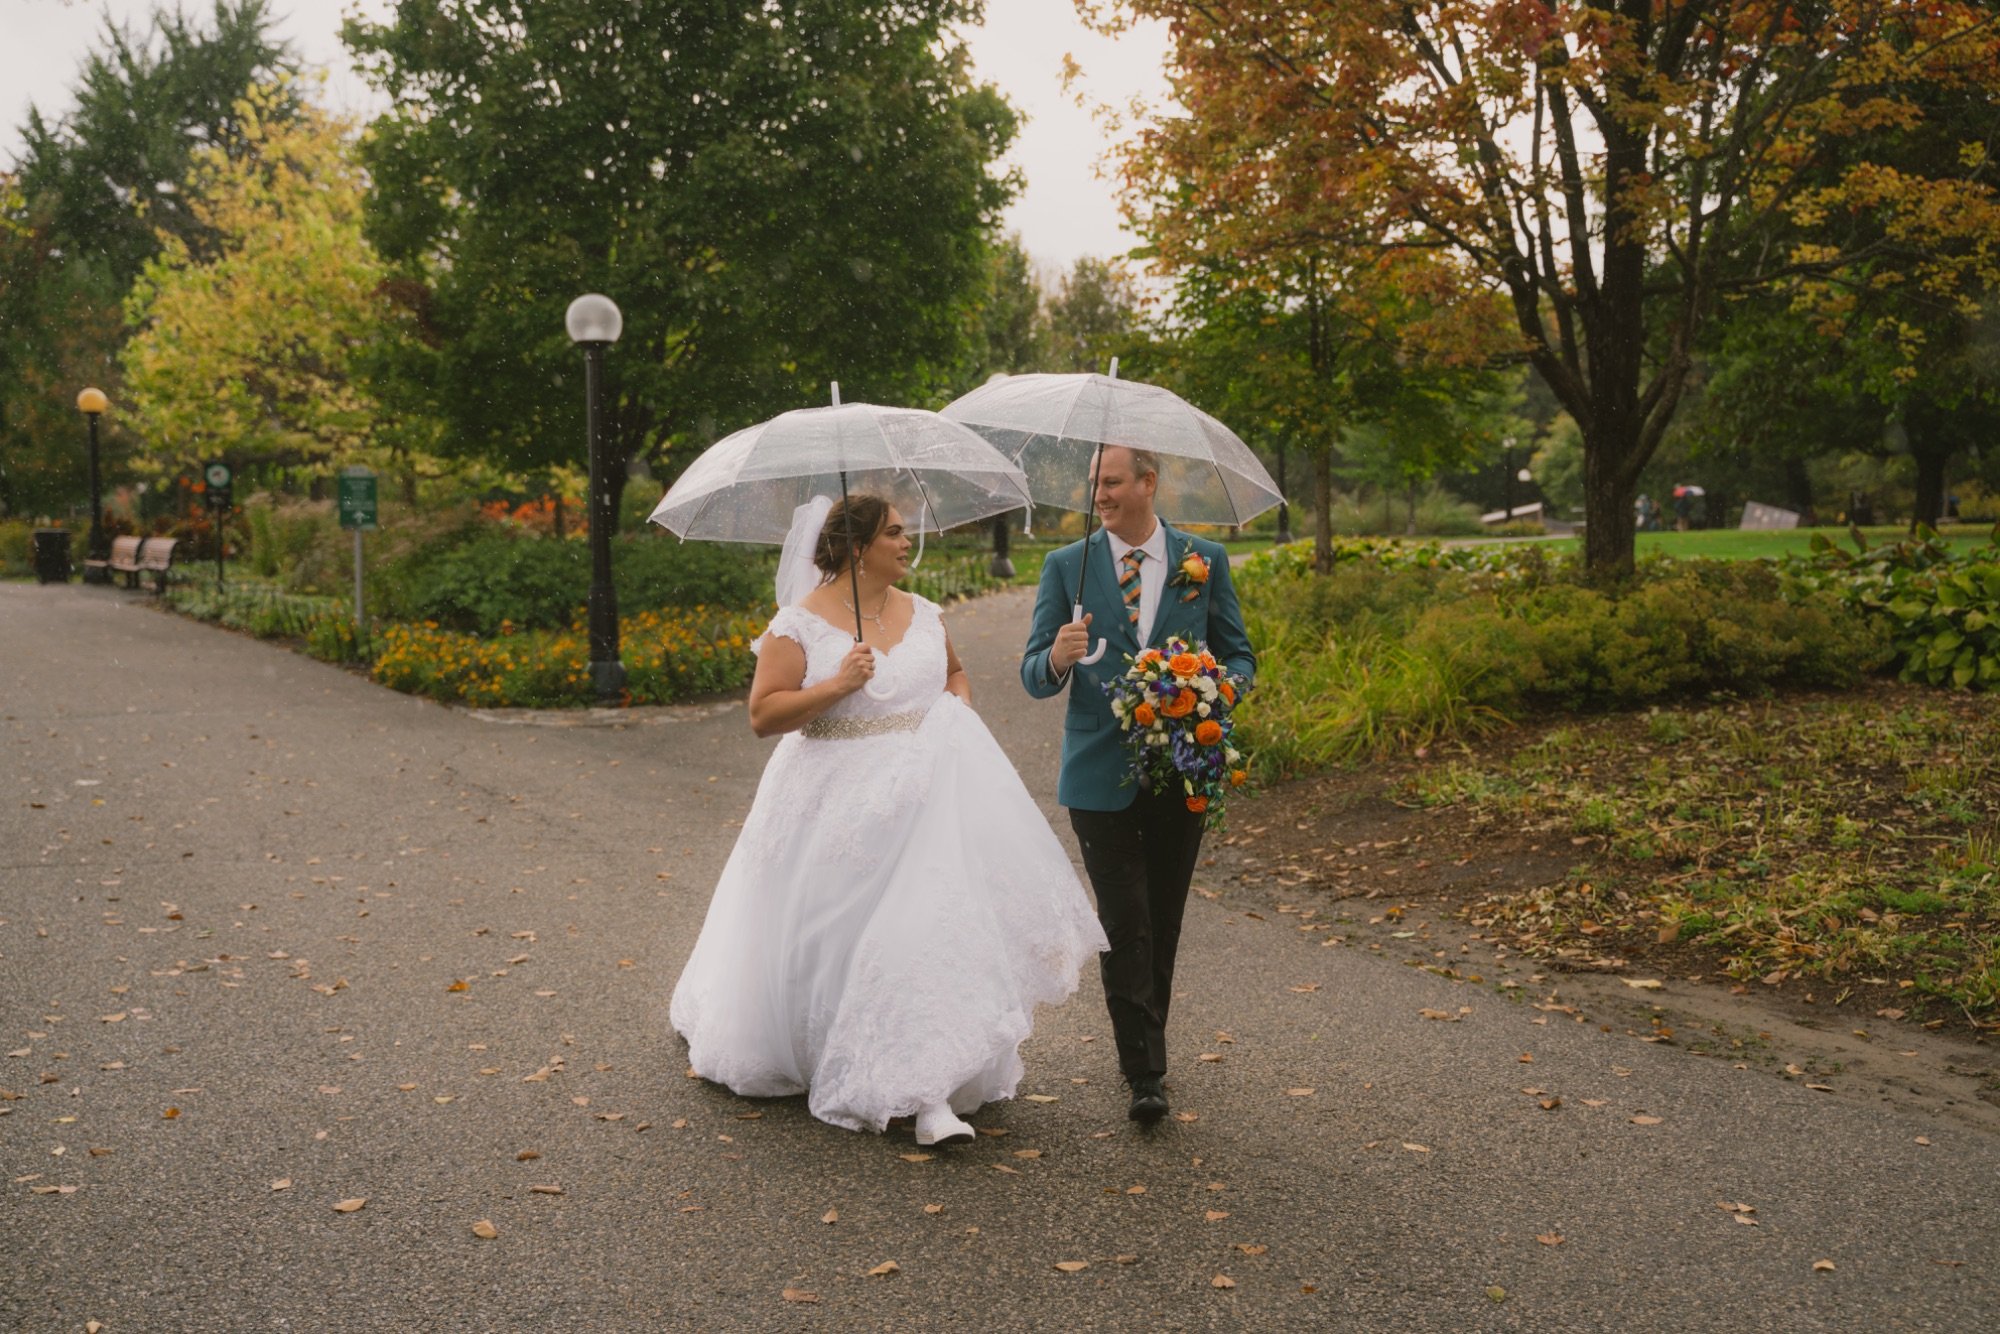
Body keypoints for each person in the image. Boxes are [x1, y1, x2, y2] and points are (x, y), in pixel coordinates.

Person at [669, 494, 1106, 1147]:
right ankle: (831, 1049)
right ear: (856, 547)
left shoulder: (925, 612)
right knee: (832, 937)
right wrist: (838, 684)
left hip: (926, 795)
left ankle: (926, 1090)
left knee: (926, 930)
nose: (908, 543)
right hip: (833, 801)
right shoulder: (798, 624)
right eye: (895, 533)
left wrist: (953, 718)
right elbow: (764, 715)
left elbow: (955, 676)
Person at [1019, 447, 1256, 1123]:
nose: (1100, 494)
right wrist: (1057, 656)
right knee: (1125, 921)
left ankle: (1146, 1044)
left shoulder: (1204, 560)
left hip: (1184, 769)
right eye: (1095, 483)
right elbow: (1032, 675)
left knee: (1163, 917)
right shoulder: (1067, 565)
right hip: (1097, 774)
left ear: (1148, 483)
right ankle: (1144, 1071)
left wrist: (1213, 692)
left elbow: (1239, 654)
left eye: (1113, 482)